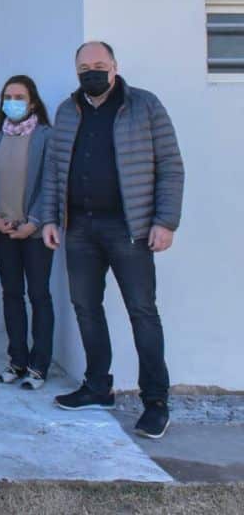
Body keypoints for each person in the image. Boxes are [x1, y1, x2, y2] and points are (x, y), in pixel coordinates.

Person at [42, 42, 184, 439]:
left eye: (99, 65)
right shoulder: (68, 110)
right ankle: (98, 387)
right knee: (86, 308)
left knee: (142, 311)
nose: (92, 71)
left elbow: (171, 166)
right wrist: (50, 218)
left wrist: (166, 221)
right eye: (84, 67)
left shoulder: (144, 106)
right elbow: (54, 170)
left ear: (115, 67)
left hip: (130, 228)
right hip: (80, 229)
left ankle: (155, 402)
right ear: (76, 71)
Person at [0, 75, 54, 390]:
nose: (12, 101)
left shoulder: (46, 136)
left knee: (38, 296)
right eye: (7, 96)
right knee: (11, 295)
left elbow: (51, 184)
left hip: (34, 234)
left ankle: (39, 366)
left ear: (32, 101)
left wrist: (34, 222)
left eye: (19, 96)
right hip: (3, 232)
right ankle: (17, 361)